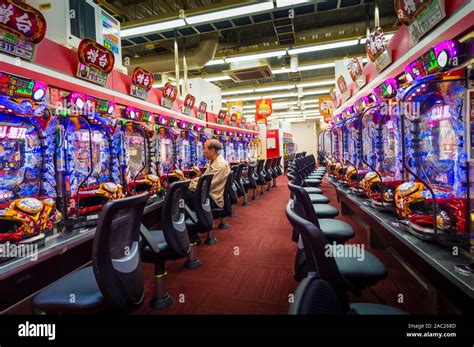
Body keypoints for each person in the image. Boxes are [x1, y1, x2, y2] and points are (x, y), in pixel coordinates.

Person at [187, 139, 230, 208]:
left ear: (212, 150)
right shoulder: (213, 162)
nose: (203, 151)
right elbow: (203, 178)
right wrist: (189, 182)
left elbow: (206, 186)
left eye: (204, 148)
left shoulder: (220, 165)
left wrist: (188, 185)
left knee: (181, 193)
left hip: (212, 198)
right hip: (208, 194)